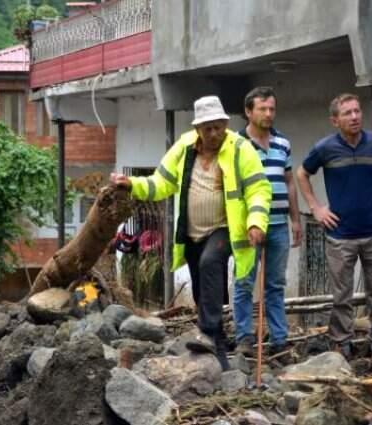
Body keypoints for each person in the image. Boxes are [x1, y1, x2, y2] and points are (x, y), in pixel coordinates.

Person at [110, 95, 272, 370]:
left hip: (225, 228)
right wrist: (132, 184)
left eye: (218, 127)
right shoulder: (184, 148)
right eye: (207, 129)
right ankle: (218, 354)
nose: (213, 134)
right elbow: (160, 183)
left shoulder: (241, 149)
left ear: (225, 124)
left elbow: (259, 188)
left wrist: (256, 221)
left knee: (211, 263)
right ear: (197, 129)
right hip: (192, 233)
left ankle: (207, 332)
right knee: (203, 289)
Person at [296, 93, 372, 358]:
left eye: (357, 111)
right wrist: (316, 208)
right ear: (335, 120)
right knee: (341, 295)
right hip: (340, 235)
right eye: (348, 113)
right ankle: (341, 344)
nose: (355, 116)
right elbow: (302, 173)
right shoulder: (325, 148)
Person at [233, 87, 301, 360]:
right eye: (262, 108)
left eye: (272, 108)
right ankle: (244, 338)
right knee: (244, 282)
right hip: (247, 226)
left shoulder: (282, 143)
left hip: (278, 225)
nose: (268, 113)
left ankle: (279, 340)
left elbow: (289, 182)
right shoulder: (235, 144)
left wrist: (296, 219)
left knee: (275, 284)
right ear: (249, 112)